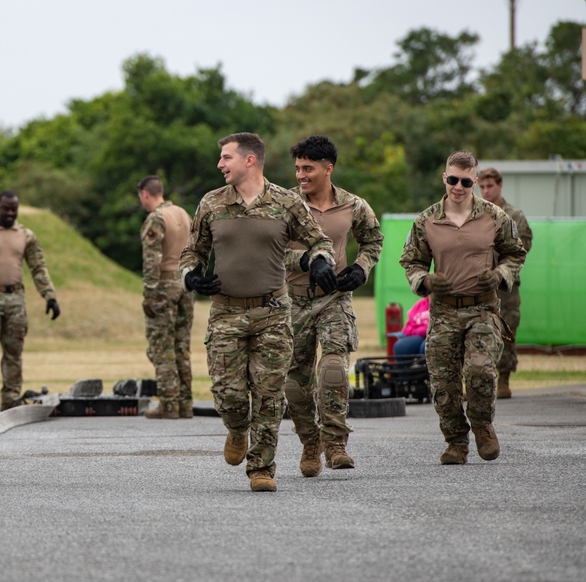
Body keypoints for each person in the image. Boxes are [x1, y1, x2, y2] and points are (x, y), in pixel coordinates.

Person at [179, 132, 337, 492]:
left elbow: (318, 242)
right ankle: (236, 428)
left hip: (272, 312)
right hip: (226, 313)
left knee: (269, 394)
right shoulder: (212, 203)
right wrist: (191, 277)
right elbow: (192, 252)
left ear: (249, 160)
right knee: (229, 394)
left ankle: (261, 468)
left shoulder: (286, 203)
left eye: (226, 158)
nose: (220, 164)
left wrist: (320, 262)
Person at [400, 151, 526, 465]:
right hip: (443, 311)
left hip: (482, 308)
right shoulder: (426, 220)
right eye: (453, 179)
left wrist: (500, 275)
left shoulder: (494, 216)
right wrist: (426, 280)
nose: (459, 186)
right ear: (445, 178)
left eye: (466, 181)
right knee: (444, 383)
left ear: (474, 180)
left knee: (481, 370)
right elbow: (411, 262)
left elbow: (515, 253)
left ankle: (482, 425)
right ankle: (456, 441)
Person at [283, 136, 384, 477]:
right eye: (297, 168)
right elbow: (271, 251)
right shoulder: (284, 205)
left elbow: (373, 239)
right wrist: (307, 260)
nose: (301, 175)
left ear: (328, 169)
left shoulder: (354, 206)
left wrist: (361, 267)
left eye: (308, 168)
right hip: (292, 301)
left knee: (334, 369)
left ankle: (335, 443)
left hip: (334, 298)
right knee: (295, 382)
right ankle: (310, 443)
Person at [0, 190, 60, 413]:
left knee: (14, 350)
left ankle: (9, 397)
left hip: (15, 297)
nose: (9, 212)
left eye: (13, 208)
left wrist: (49, 296)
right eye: (6, 208)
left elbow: (38, 267)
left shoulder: (26, 235)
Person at [136, 175, 194, 420]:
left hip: (163, 286)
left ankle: (169, 404)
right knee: (182, 345)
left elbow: (152, 260)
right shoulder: (182, 213)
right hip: (185, 283)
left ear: (145, 194)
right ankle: (185, 402)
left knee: (162, 346)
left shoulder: (156, 218)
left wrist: (149, 294)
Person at [477, 167, 533, 399]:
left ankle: (504, 379)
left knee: (506, 330)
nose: (486, 191)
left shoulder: (513, 215)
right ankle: (477, 382)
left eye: (490, 186)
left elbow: (522, 247)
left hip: (505, 286)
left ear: (500, 185)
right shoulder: (476, 213)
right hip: (479, 284)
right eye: (482, 187)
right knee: (478, 333)